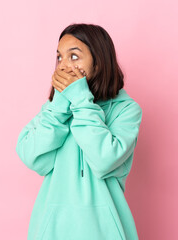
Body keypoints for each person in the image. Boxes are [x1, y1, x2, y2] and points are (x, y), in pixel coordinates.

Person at [16, 23, 143, 240]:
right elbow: (32, 157)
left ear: (99, 62)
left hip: (105, 232)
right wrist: (58, 107)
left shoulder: (126, 110)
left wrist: (80, 100)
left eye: (74, 57)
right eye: (59, 58)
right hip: (53, 230)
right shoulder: (54, 109)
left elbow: (105, 159)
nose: (64, 66)